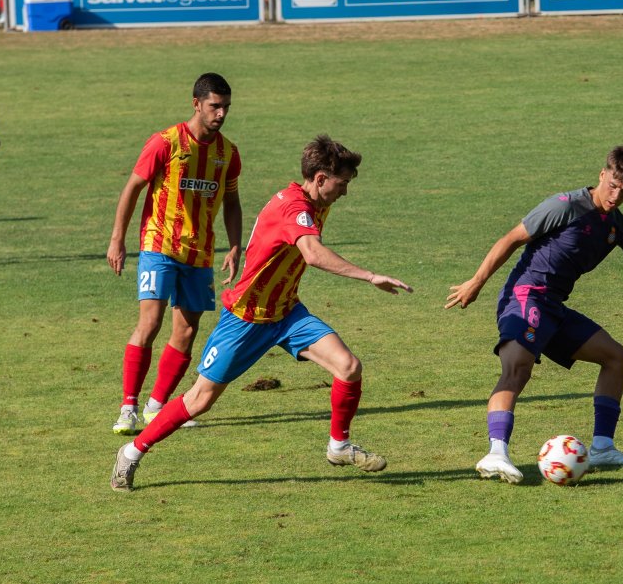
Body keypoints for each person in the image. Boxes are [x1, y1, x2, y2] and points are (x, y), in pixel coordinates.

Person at [111, 136, 412, 492]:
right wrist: (369, 275)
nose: (345, 192)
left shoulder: (316, 203)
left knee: (348, 367)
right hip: (246, 319)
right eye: (341, 183)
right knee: (200, 399)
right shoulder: (293, 207)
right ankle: (131, 452)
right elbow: (313, 254)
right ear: (319, 178)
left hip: (286, 313)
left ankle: (339, 447)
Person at [445, 145, 623, 484]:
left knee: (616, 357)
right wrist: (476, 281)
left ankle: (603, 446)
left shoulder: (618, 226)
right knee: (517, 368)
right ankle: (496, 453)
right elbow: (511, 238)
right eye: (613, 185)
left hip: (554, 307)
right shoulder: (566, 206)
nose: (616, 195)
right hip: (526, 297)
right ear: (603, 175)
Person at [106, 73, 244, 436]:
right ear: (196, 103)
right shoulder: (165, 142)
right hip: (160, 246)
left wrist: (234, 244)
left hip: (200, 253)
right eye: (215, 106)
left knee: (186, 330)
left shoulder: (227, 153)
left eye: (226, 107)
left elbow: (231, 200)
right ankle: (128, 407)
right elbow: (132, 188)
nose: (221, 114)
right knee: (150, 324)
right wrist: (117, 239)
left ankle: (156, 407)